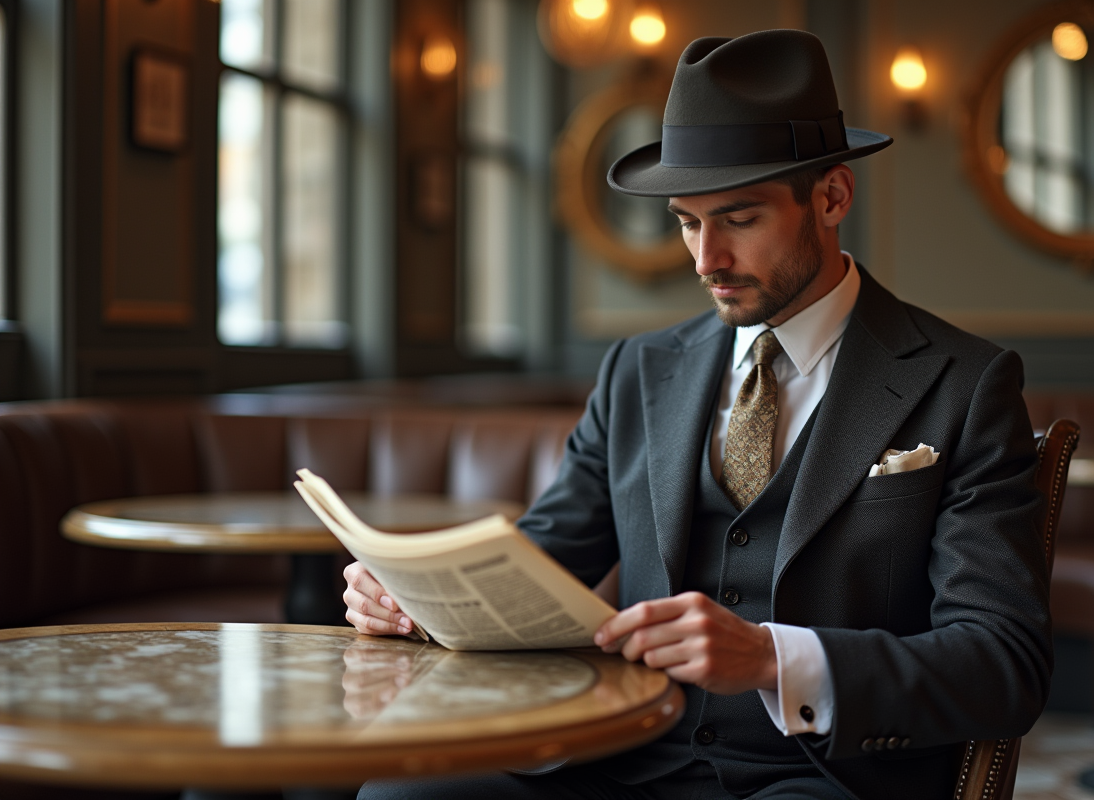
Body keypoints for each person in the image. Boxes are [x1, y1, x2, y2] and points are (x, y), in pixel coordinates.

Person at [348, 29, 1051, 800]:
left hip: (822, 776)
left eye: (739, 219)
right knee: (397, 794)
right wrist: (422, 600)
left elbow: (1002, 660)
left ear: (832, 196)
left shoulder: (966, 382)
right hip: (617, 751)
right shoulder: (637, 371)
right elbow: (544, 563)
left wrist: (772, 659)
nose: (705, 257)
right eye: (687, 221)